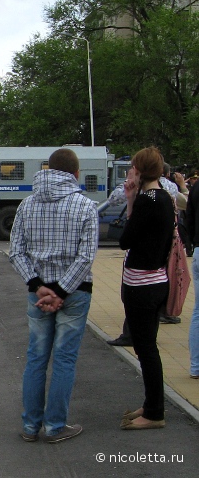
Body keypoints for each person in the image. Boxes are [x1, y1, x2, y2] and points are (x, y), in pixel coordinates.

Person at [9, 148, 98, 444]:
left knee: (36, 358)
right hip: (74, 293)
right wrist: (60, 291)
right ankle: (56, 426)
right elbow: (86, 257)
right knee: (64, 360)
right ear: (76, 174)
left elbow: (17, 252)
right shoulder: (86, 207)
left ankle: (31, 426)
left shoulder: (26, 205)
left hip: (38, 293)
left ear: (48, 170)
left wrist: (38, 286)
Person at [117, 147, 174, 430]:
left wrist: (130, 203)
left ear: (139, 171)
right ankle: (152, 403)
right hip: (158, 279)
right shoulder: (164, 197)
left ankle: (154, 413)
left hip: (141, 283)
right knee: (148, 346)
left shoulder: (147, 200)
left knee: (145, 349)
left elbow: (125, 239)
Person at [185, 176, 199, 380]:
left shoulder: (196, 188)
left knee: (198, 311)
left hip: (198, 251)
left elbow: (188, 219)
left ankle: (196, 366)